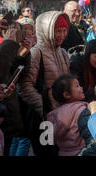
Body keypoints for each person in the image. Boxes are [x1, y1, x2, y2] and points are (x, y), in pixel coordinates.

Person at [19, 11, 70, 156]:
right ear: (46, 30)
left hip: (63, 117)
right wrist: (45, 107)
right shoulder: (36, 53)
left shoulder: (63, 53)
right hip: (43, 119)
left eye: (64, 30)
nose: (62, 35)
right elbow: (25, 87)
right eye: (57, 31)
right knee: (46, 152)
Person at [46, 74, 87, 156]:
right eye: (77, 86)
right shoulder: (81, 110)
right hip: (82, 152)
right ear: (67, 95)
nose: (81, 87)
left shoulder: (52, 115)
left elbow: (49, 140)